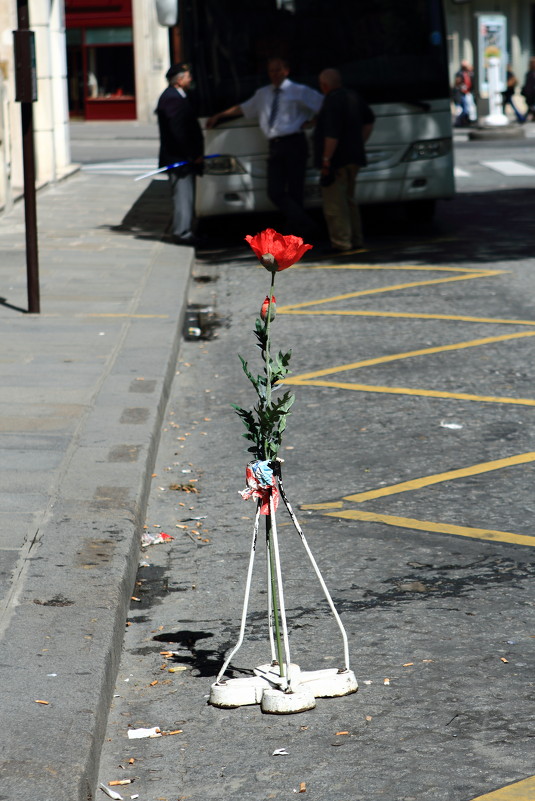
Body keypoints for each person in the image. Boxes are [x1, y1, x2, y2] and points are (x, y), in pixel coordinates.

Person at [206, 57, 323, 238]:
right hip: (275, 145)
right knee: (274, 191)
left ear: (286, 71)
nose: (274, 74)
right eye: (271, 71)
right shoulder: (263, 94)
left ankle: (294, 233)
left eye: (278, 70)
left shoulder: (298, 91)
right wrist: (219, 115)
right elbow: (242, 108)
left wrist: (312, 122)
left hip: (294, 143)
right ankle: (308, 226)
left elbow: (323, 105)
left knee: (295, 190)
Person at [313, 68, 374, 253]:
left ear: (324, 86)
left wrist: (326, 160)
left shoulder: (332, 101)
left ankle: (341, 242)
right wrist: (358, 142)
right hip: (355, 157)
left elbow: (332, 135)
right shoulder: (352, 96)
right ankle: (356, 239)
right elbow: (369, 121)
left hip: (337, 160)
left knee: (335, 204)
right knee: (350, 200)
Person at [156, 63, 204, 245]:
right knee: (183, 196)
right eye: (188, 76)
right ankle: (181, 233)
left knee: (187, 195)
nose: (190, 79)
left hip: (184, 157)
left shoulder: (179, 96)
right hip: (179, 158)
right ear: (179, 80)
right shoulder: (171, 98)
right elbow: (178, 131)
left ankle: (185, 230)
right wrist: (191, 154)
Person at [453, 60, 477, 127]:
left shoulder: (469, 73)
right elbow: (457, 83)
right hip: (461, 93)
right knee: (462, 109)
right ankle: (460, 122)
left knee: (470, 108)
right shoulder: (459, 73)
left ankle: (468, 120)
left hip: (468, 92)